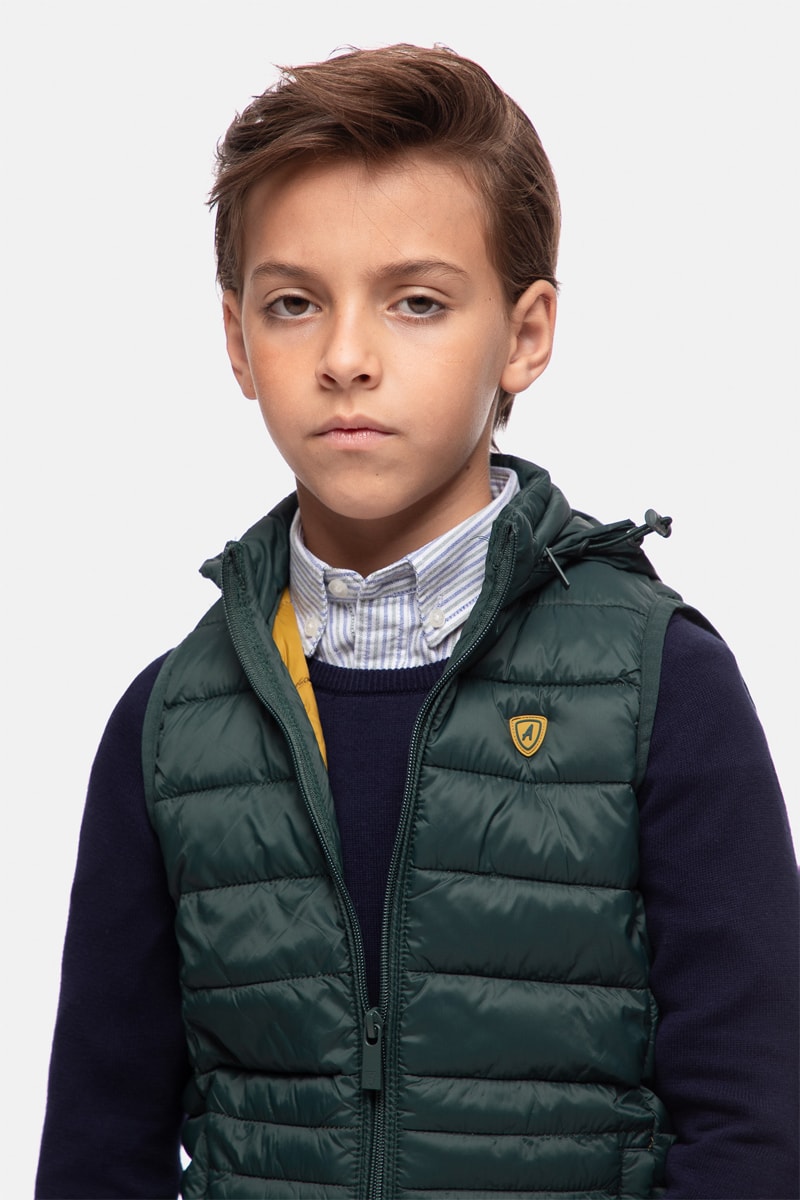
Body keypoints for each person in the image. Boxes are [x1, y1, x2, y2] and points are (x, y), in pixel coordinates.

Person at [36, 44, 798, 1200]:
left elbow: (754, 1127)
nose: (346, 358)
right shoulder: (168, 725)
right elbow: (99, 1149)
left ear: (524, 334)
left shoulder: (657, 687)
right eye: (294, 304)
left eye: (417, 302)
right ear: (237, 341)